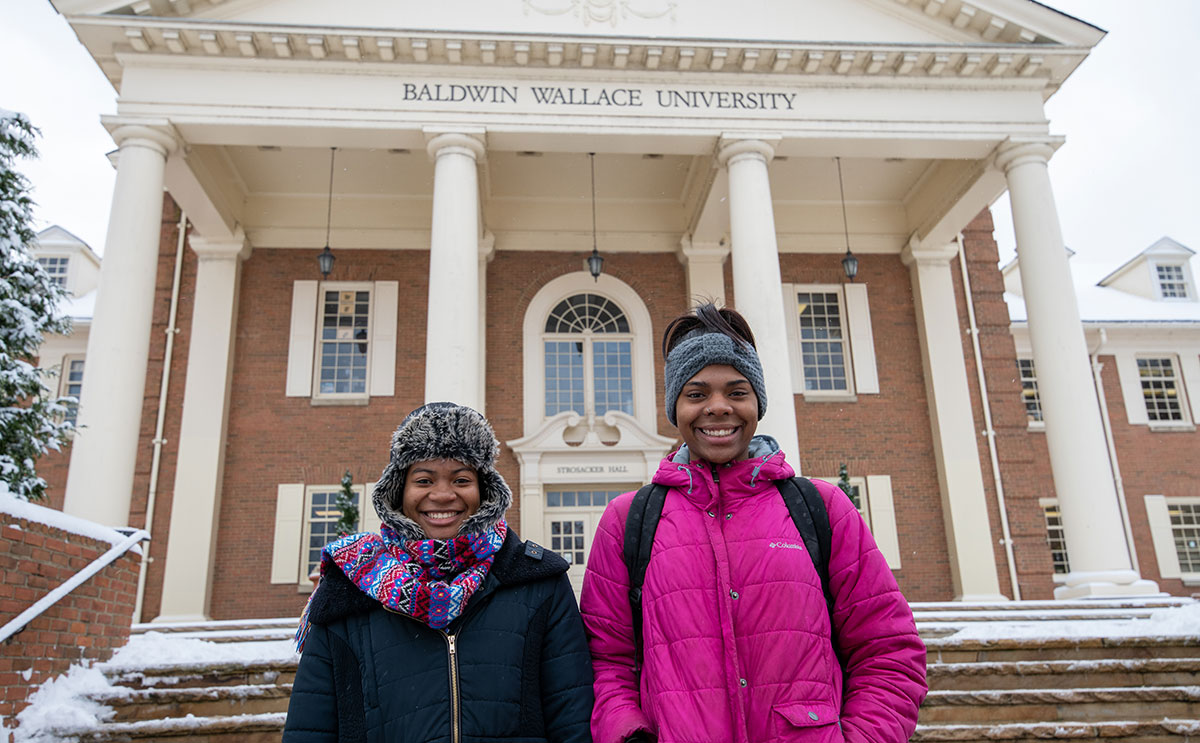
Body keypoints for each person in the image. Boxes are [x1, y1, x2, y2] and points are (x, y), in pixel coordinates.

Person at [579, 304, 927, 743]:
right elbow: (604, 662)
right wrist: (631, 735)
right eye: (697, 393)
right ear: (676, 408)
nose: (719, 408)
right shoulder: (629, 520)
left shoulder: (821, 508)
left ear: (757, 401)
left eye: (737, 392)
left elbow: (887, 651)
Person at [283, 402, 594, 743]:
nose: (443, 495)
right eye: (424, 479)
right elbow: (312, 727)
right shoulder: (349, 588)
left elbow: (573, 720)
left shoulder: (539, 582)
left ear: (485, 491)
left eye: (461, 479)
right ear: (398, 492)